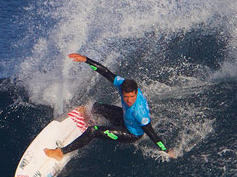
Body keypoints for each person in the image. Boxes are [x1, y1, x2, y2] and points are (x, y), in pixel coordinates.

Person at [44, 53, 176, 160]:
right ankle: (88, 118)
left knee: (93, 130)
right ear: (122, 91)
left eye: (132, 97)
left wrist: (165, 150)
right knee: (96, 107)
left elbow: (152, 133)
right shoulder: (122, 84)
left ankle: (61, 153)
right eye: (126, 97)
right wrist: (86, 60)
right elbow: (105, 72)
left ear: (137, 93)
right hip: (125, 118)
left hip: (130, 133)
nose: (129, 100)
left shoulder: (140, 114)